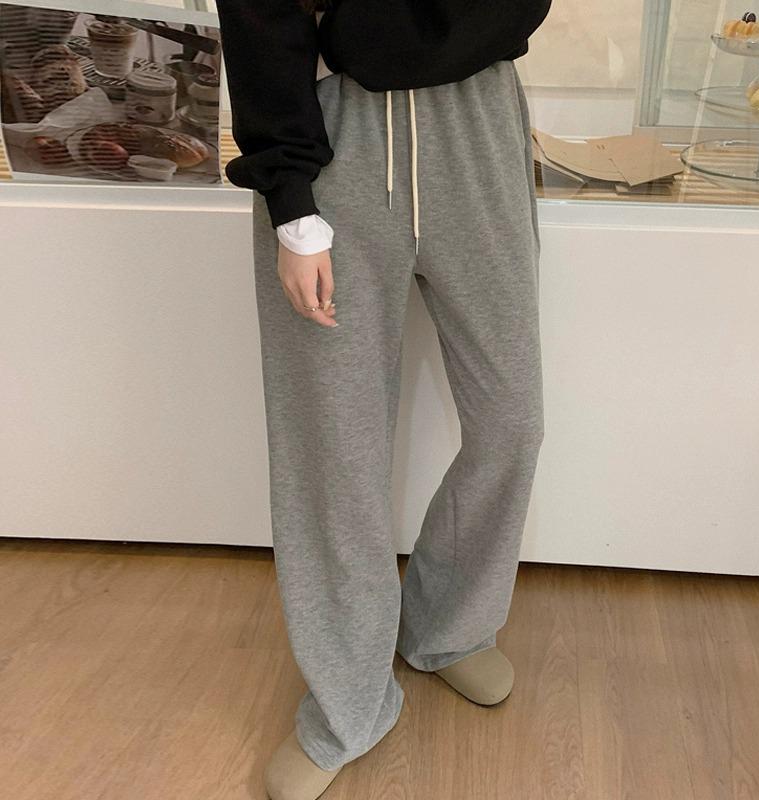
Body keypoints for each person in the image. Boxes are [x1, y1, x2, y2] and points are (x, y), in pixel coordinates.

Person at [215, 1, 551, 798]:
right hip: (337, 135)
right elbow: (260, 14)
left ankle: (450, 622)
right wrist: (291, 201)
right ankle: (350, 698)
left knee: (512, 421)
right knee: (335, 447)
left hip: (479, 119)